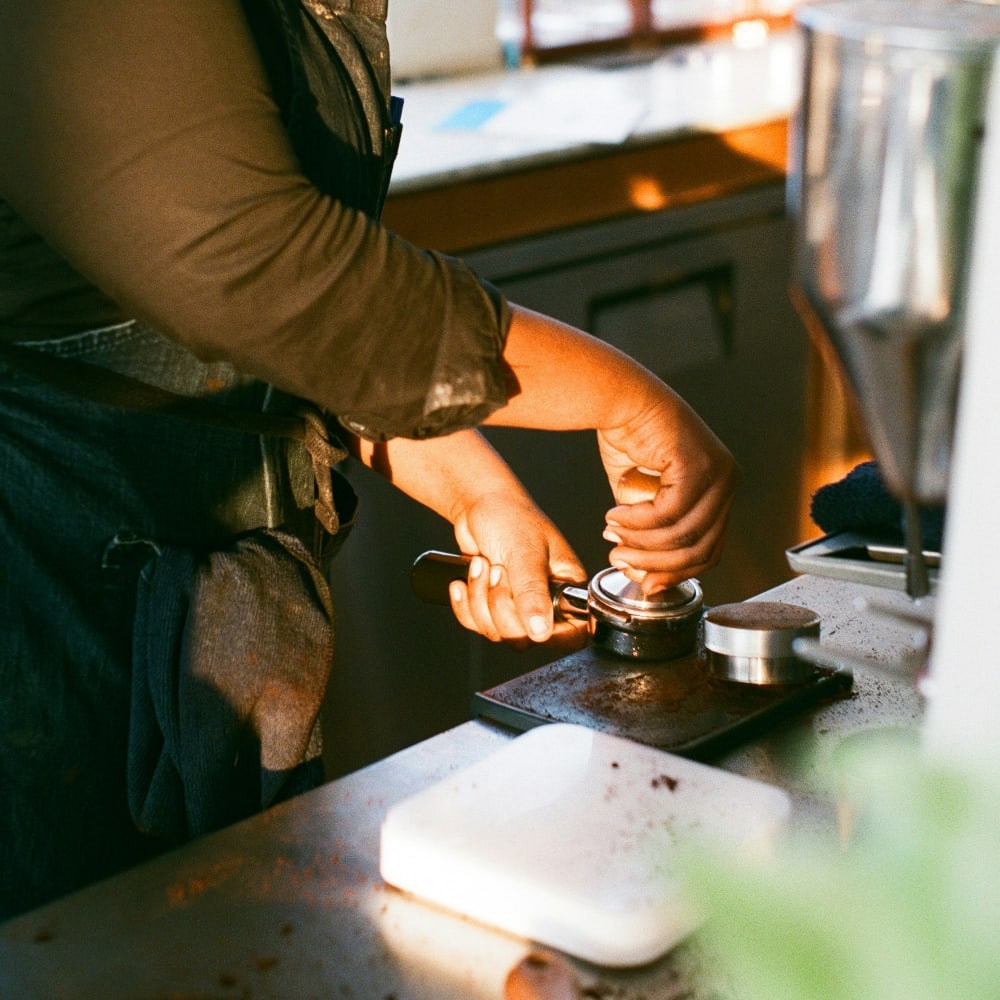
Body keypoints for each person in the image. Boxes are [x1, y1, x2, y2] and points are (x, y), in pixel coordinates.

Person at [0, 0, 738, 919]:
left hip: (211, 621)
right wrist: (623, 397)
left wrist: (474, 490)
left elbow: (286, 340)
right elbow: (265, 274)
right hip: (46, 608)